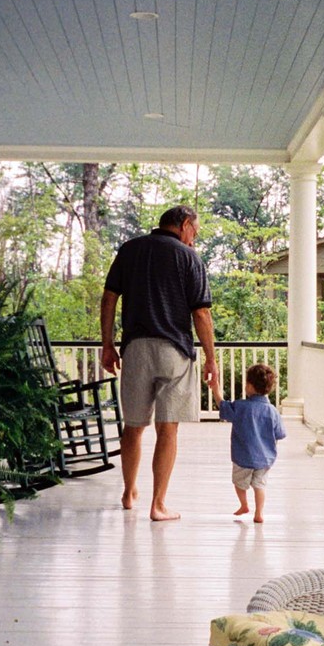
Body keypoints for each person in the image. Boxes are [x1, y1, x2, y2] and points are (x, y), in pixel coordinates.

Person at [100, 205, 218, 521]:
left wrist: (107, 344)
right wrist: (211, 359)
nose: (195, 237)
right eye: (196, 229)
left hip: (136, 349)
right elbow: (202, 313)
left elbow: (109, 297)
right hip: (174, 352)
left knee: (134, 427)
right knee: (168, 429)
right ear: (184, 224)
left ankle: (128, 492)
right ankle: (158, 504)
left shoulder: (130, 250)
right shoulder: (189, 258)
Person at [210, 363, 286, 524]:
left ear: (250, 386)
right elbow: (280, 434)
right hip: (265, 458)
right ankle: (259, 513)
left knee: (239, 482)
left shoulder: (240, 407)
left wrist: (215, 388)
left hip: (242, 456)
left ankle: (244, 505)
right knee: (260, 485)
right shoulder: (272, 411)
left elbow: (223, 406)